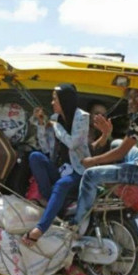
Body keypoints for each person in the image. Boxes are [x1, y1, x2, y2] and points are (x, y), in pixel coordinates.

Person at [70, 88, 138, 230]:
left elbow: (121, 152)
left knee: (90, 175)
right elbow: (119, 147)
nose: (132, 101)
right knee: (115, 142)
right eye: (130, 97)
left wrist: (92, 162)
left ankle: (77, 224)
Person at [22, 83, 90, 246]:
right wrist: (40, 125)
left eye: (55, 99)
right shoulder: (54, 119)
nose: (52, 103)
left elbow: (73, 143)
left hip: (78, 170)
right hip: (60, 168)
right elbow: (46, 147)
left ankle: (39, 230)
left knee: (61, 184)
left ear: (64, 101)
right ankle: (53, 202)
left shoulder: (82, 117)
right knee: (35, 157)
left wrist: (57, 127)